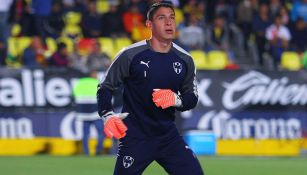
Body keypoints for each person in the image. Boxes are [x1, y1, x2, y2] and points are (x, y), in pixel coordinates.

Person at [97, 1, 204, 174]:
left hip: (168, 136)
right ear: (149, 25)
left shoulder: (185, 59)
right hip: (134, 137)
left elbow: (191, 98)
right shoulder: (129, 55)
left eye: (172, 18)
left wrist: (177, 100)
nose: (169, 22)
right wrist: (107, 115)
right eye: (162, 18)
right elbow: (105, 87)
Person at [73, 70, 104, 155]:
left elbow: (74, 94)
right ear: (92, 75)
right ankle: (98, 150)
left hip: (83, 113)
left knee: (85, 134)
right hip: (94, 112)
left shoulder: (79, 83)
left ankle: (86, 153)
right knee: (101, 133)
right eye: (95, 74)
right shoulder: (97, 82)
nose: (97, 75)